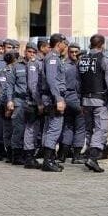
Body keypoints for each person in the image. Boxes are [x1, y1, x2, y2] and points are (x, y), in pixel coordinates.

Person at [78, 34, 108, 173]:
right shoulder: (105, 60)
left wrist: (80, 101)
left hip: (85, 100)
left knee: (90, 129)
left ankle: (88, 155)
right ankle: (93, 158)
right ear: (102, 45)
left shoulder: (82, 60)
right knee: (101, 129)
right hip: (99, 101)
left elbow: (79, 83)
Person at [39, 33, 69, 172]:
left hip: (51, 97)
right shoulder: (52, 58)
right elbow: (52, 80)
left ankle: (49, 159)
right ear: (59, 44)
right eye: (65, 43)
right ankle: (47, 161)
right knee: (54, 128)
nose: (66, 45)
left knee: (50, 128)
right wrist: (58, 99)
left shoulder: (54, 57)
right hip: (53, 98)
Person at [58, 43, 87, 164]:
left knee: (68, 127)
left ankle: (63, 155)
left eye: (76, 52)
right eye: (72, 52)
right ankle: (76, 156)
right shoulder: (82, 67)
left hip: (67, 99)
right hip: (77, 99)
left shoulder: (63, 65)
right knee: (80, 128)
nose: (74, 54)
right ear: (68, 52)